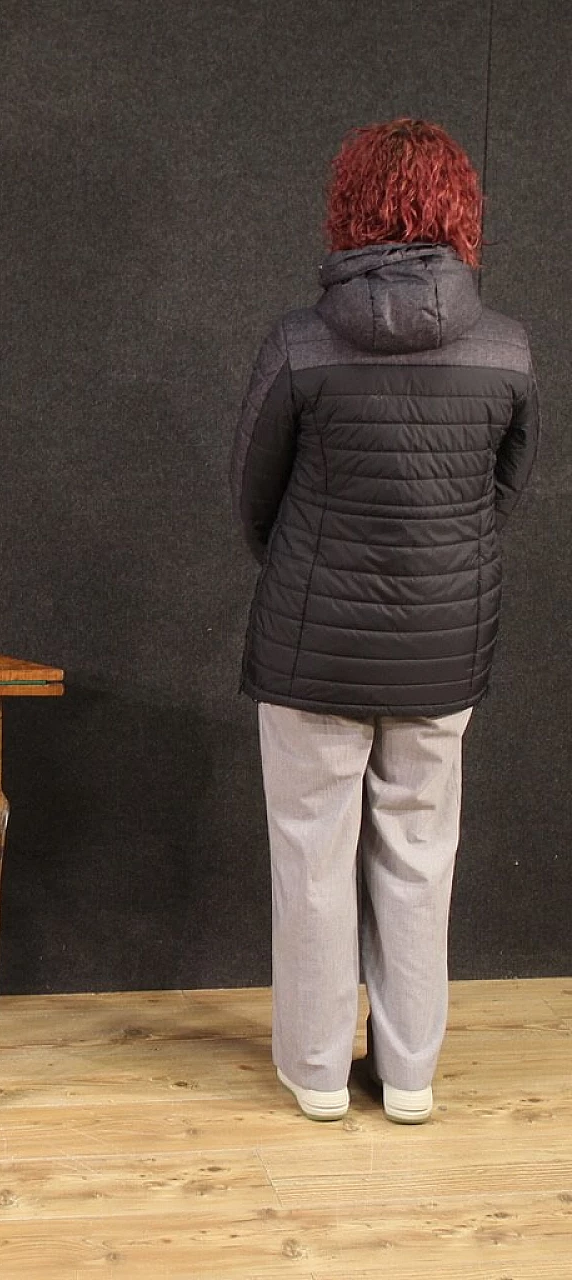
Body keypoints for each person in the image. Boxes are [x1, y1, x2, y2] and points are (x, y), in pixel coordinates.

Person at [230, 119, 539, 1123]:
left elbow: (252, 494)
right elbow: (502, 494)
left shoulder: (297, 341)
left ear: (350, 207)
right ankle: (408, 1075)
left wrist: (309, 568)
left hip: (308, 645)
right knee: (419, 854)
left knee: (310, 856)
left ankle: (316, 1073)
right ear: (459, 209)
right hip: (443, 648)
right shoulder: (504, 348)